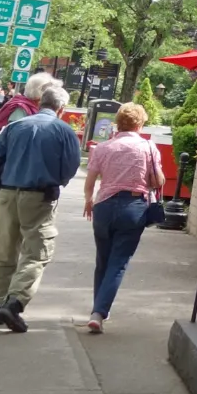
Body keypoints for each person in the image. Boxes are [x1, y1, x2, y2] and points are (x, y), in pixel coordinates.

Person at [0, 76, 81, 333]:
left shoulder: (16, 127)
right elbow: (70, 166)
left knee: (4, 250)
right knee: (36, 253)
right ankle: (14, 303)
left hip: (7, 193)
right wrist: (56, 179)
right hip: (38, 196)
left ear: (41, 102)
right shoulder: (64, 131)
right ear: (61, 109)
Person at [80, 102, 162, 333]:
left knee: (103, 261)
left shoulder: (103, 147)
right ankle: (99, 312)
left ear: (118, 122)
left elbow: (91, 180)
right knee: (118, 263)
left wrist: (88, 200)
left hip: (103, 206)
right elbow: (158, 180)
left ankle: (98, 309)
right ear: (140, 123)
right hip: (133, 207)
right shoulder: (148, 147)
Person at [0, 72, 48, 287]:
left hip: (13, 175)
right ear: (40, 94)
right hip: (9, 176)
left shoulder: (28, 109)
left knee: (3, 223)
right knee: (1, 224)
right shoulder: (21, 111)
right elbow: (13, 145)